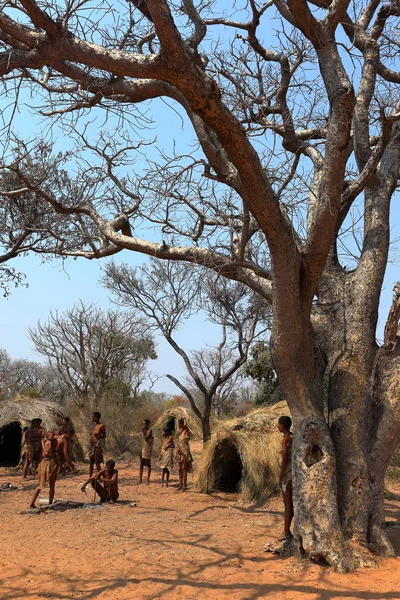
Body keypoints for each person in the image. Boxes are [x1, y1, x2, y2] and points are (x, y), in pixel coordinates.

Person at [29, 431, 59, 508]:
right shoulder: (48, 443)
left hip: (48, 463)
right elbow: (46, 453)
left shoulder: (48, 442)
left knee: (47, 485)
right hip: (48, 463)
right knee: (46, 485)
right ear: (47, 436)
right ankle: (48, 504)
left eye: (53, 436)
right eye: (51, 436)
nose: (53, 437)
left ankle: (48, 504)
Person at [277, 415, 294, 541]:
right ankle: (287, 530)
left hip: (288, 475)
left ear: (282, 425)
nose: (277, 426)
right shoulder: (293, 437)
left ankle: (286, 531)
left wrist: (280, 475)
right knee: (290, 503)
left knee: (287, 504)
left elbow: (284, 459)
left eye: (278, 424)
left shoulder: (285, 440)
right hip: (295, 474)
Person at [176, 418, 193, 491]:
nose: (178, 425)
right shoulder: (180, 432)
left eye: (179, 424)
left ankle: (184, 486)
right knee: (179, 469)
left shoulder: (186, 431)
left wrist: (185, 420)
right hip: (180, 452)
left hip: (185, 452)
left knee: (184, 469)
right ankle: (180, 484)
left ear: (182, 424)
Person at [88, 411, 106, 476]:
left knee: (96, 461)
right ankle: (90, 477)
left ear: (97, 417)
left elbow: (104, 435)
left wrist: (98, 437)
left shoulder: (101, 426)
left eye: (93, 417)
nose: (92, 418)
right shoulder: (94, 426)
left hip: (97, 444)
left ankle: (99, 476)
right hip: (91, 445)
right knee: (91, 462)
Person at [139, 419, 153, 484]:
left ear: (147, 424)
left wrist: (143, 431)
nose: (143, 425)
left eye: (144, 424)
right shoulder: (144, 431)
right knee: (141, 464)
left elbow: (146, 438)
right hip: (143, 448)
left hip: (147, 449)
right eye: (143, 424)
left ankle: (147, 480)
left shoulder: (150, 430)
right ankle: (140, 480)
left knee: (148, 464)